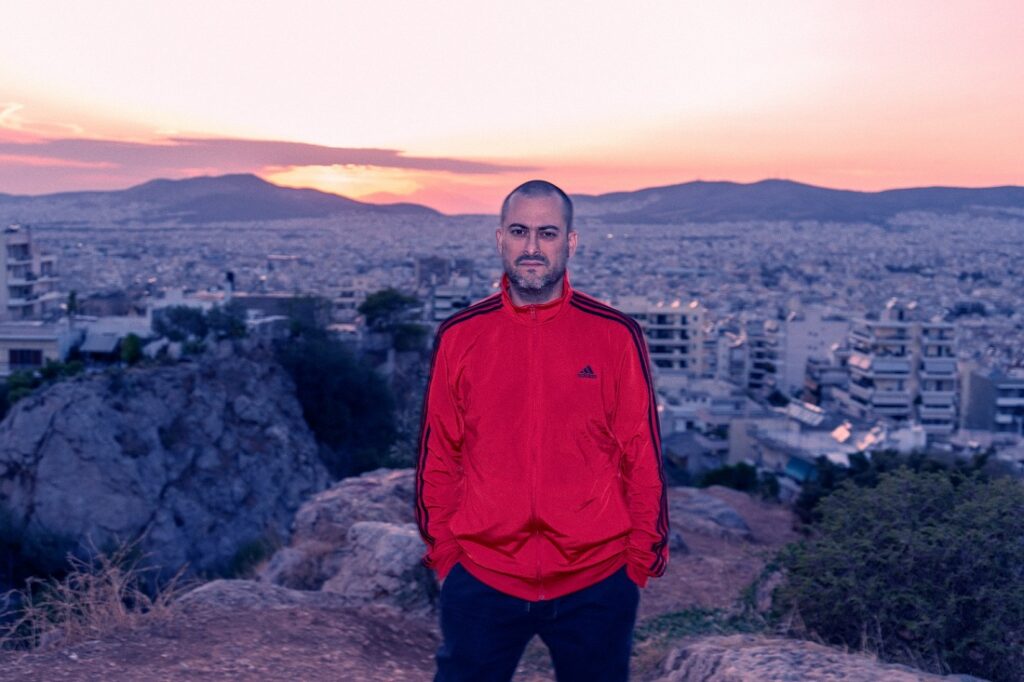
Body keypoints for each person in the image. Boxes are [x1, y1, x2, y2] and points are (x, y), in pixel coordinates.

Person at [415, 179, 669, 682]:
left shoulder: (615, 335)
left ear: (570, 242)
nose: (532, 246)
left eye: (547, 233)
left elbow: (641, 453)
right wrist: (447, 553)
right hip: (483, 575)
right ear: (500, 239)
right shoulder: (461, 336)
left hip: (596, 579)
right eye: (519, 231)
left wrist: (637, 562)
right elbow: (439, 451)